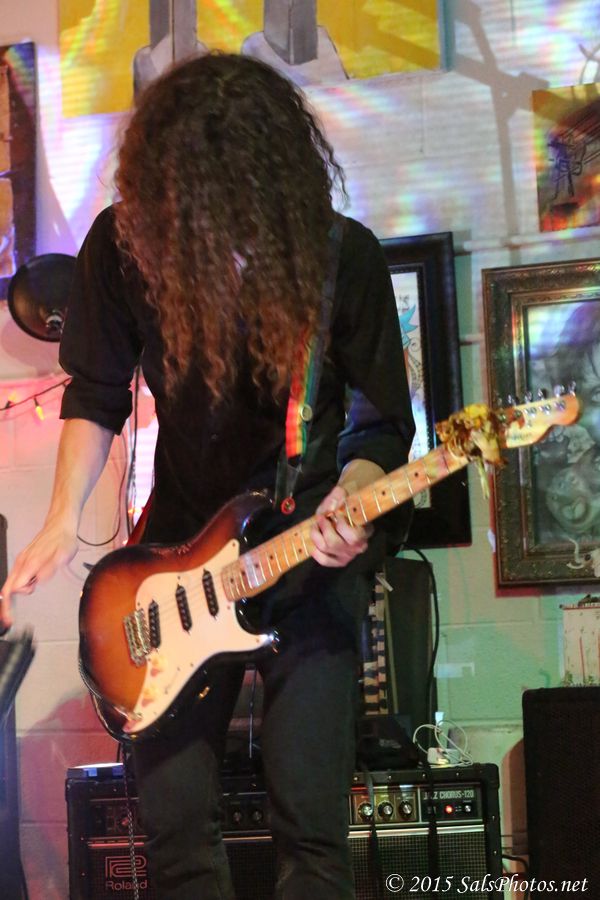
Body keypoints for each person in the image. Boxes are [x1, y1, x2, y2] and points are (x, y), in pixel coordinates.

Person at [0, 52, 414, 899]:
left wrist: (355, 501)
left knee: (312, 835)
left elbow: (380, 427)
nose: (201, 237)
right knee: (177, 833)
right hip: (177, 563)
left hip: (307, 557)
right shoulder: (126, 248)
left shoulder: (344, 259)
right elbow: (95, 391)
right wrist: (59, 519)